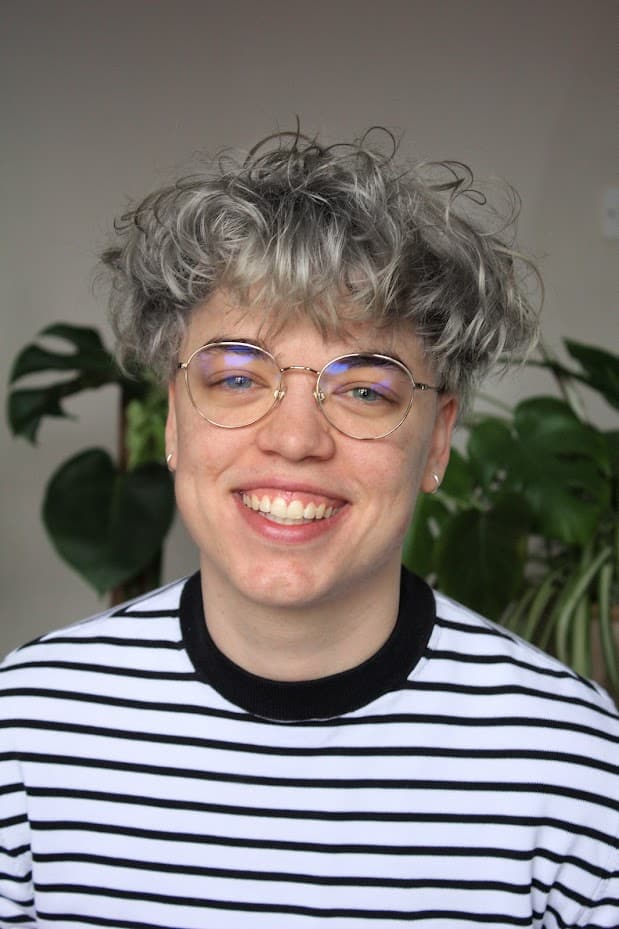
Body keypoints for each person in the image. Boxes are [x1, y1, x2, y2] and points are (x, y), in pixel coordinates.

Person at [1, 129, 617, 929]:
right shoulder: (27, 729)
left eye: (365, 390)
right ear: (174, 422)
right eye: (235, 377)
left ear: (434, 441)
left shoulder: (575, 763)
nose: (294, 438)